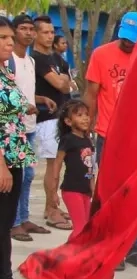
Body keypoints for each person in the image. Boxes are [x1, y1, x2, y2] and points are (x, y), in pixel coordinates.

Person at [83, 12, 137, 271]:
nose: (128, 43)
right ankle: (112, 249)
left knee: (136, 194)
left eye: (133, 39)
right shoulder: (101, 54)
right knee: (109, 194)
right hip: (107, 135)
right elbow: (91, 94)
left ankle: (133, 246)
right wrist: (85, 130)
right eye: (125, 37)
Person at [0, 17, 40, 279]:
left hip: (15, 154)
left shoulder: (5, 70)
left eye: (9, 38)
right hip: (1, 159)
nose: (9, 43)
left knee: (4, 223)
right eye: (2, 38)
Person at [9, 14, 51, 242]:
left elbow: (26, 92)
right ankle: (14, 222)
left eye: (30, 29)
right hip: (14, 128)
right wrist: (23, 106)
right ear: (15, 31)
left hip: (30, 125)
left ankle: (23, 217)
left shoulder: (30, 61)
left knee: (28, 175)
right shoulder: (9, 61)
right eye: (23, 29)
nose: (27, 33)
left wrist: (41, 99)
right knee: (19, 174)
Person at [31, 15, 73, 231]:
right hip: (46, 118)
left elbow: (69, 84)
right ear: (36, 34)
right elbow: (60, 83)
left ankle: (52, 205)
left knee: (59, 164)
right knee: (52, 164)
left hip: (61, 117)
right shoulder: (37, 58)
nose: (49, 36)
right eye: (45, 32)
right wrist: (64, 83)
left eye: (51, 32)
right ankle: (51, 208)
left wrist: (64, 83)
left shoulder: (57, 59)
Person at [52, 100, 95, 241]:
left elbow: (90, 167)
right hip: (71, 190)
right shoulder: (68, 140)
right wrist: (53, 192)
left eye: (87, 115)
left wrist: (92, 188)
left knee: (86, 227)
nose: (85, 118)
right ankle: (74, 259)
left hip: (85, 191)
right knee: (80, 229)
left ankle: (67, 254)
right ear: (68, 122)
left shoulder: (88, 141)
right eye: (80, 115)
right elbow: (57, 164)